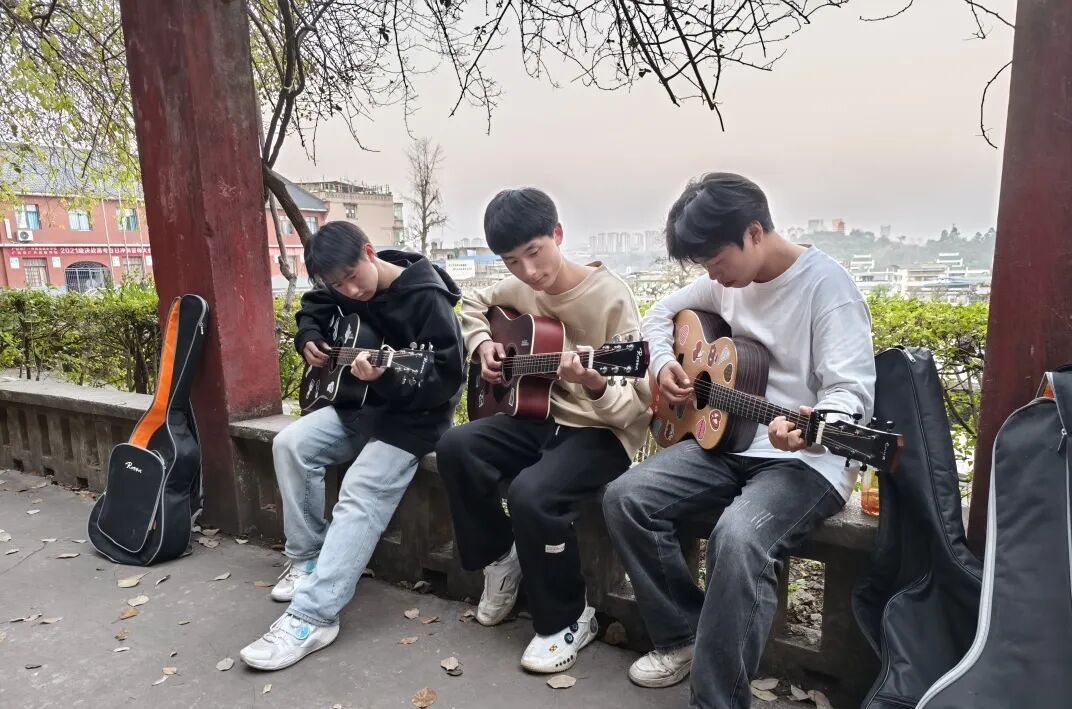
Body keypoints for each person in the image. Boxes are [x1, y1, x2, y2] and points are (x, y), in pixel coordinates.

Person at [603, 173, 875, 708]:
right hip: (730, 441)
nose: (711, 276)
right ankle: (682, 635)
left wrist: (812, 426)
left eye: (715, 260)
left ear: (753, 232)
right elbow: (659, 315)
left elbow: (850, 392)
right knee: (626, 497)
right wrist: (664, 364)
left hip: (807, 463)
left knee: (738, 537)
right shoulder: (726, 282)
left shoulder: (827, 289)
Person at [436, 188, 651, 673]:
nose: (529, 272)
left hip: (601, 431)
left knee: (532, 494)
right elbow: (473, 302)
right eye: (512, 262)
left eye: (535, 253)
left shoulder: (611, 295)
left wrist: (595, 383)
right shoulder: (520, 288)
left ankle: (568, 618)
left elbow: (634, 408)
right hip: (540, 417)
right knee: (455, 446)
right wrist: (483, 345)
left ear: (558, 233)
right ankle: (501, 558)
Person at [239, 221, 464, 671]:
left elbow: (448, 378)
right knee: (290, 444)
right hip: (357, 405)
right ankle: (307, 559)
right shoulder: (340, 286)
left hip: (414, 421)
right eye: (338, 284)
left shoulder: (427, 297)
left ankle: (314, 616)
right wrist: (308, 338)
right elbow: (315, 305)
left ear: (369, 251)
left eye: (352, 277)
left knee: (360, 488)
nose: (350, 290)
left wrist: (388, 376)